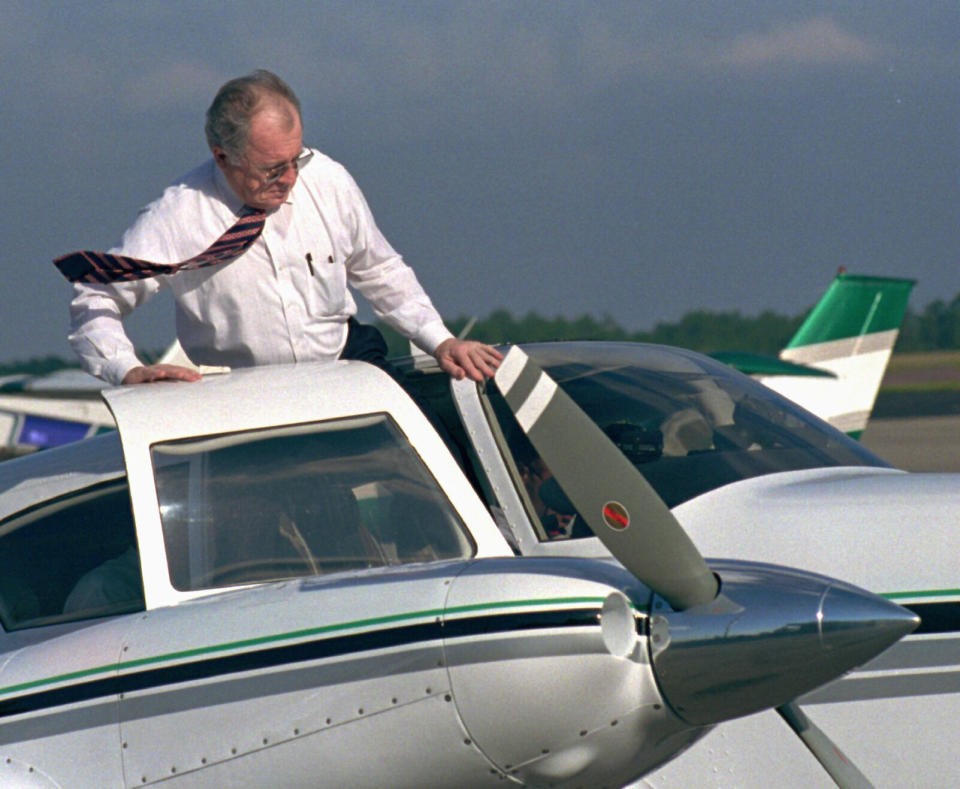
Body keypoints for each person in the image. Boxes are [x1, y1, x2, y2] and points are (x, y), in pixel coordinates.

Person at [64, 70, 501, 386]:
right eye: (272, 169)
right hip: (241, 393)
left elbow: (380, 270)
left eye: (296, 159)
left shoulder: (326, 179)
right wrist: (127, 370)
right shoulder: (178, 214)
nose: (291, 178)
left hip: (343, 365)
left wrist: (440, 341)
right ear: (222, 156)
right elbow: (95, 298)